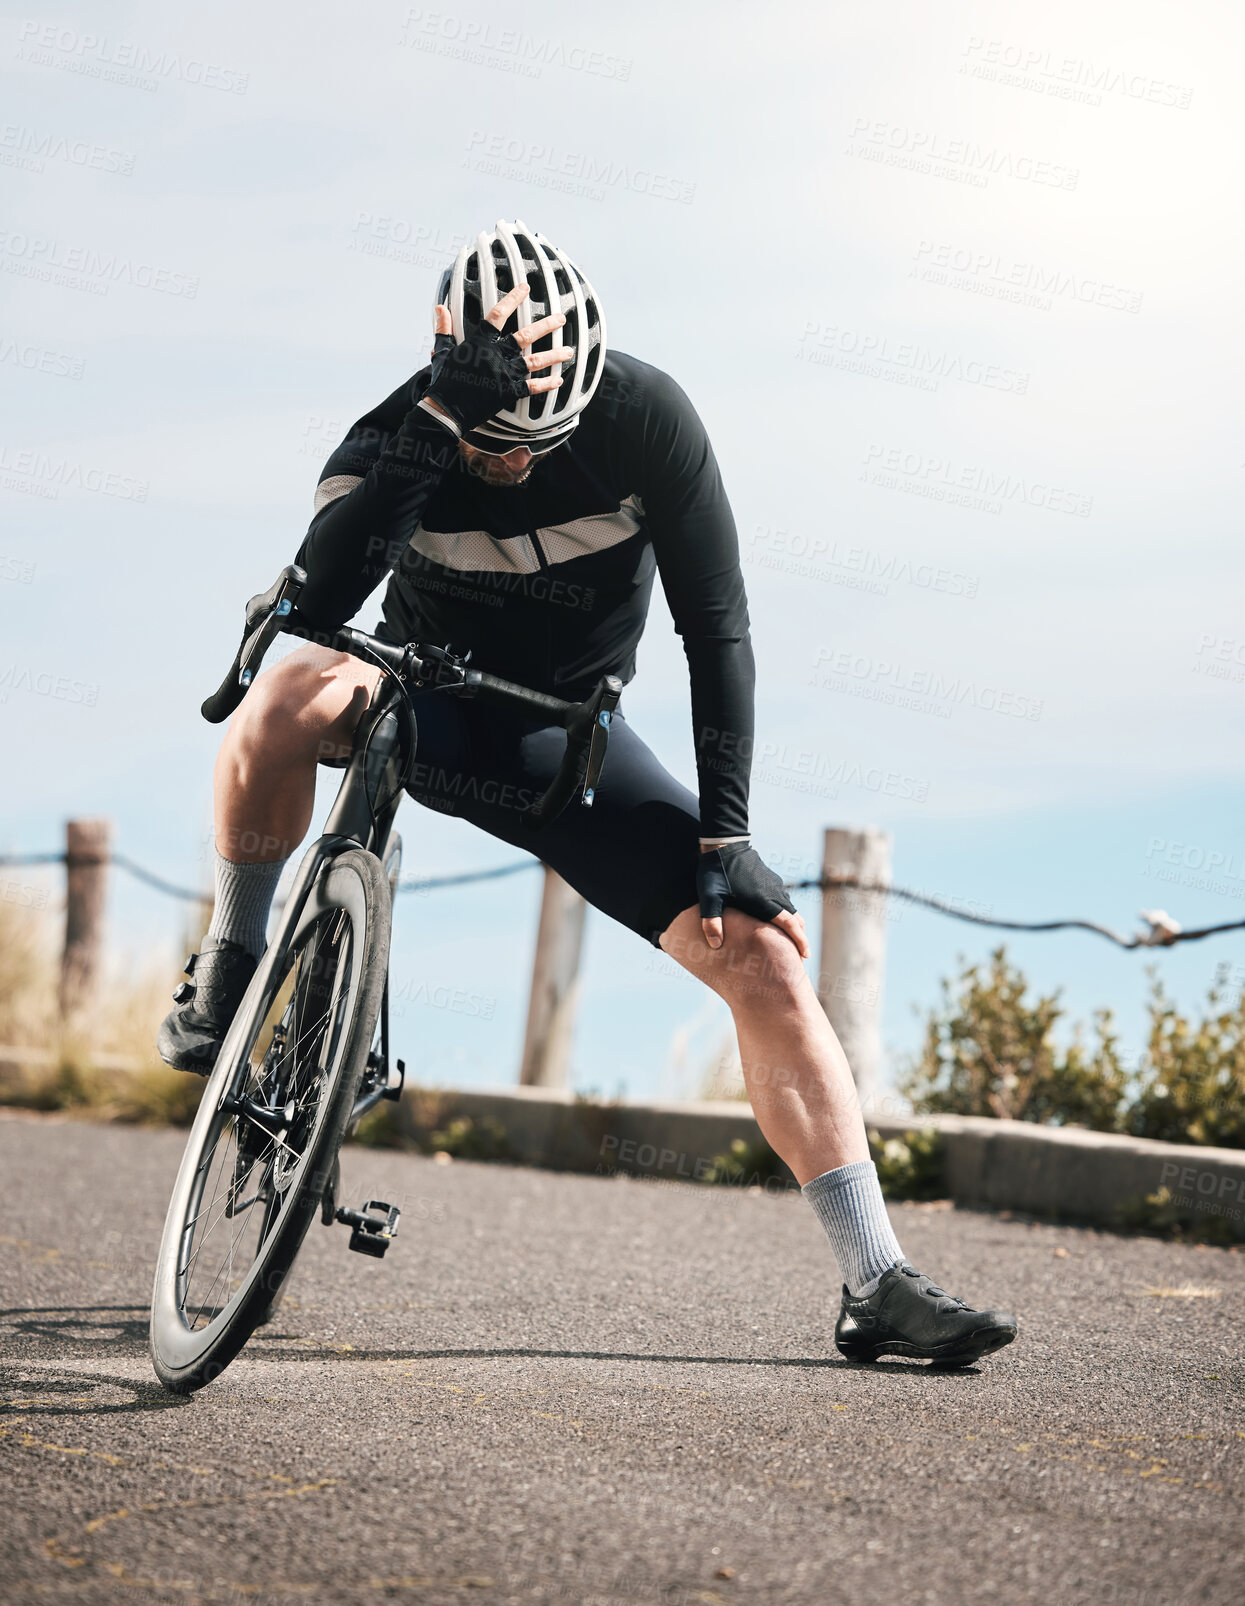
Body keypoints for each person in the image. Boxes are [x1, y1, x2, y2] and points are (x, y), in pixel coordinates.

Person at [159, 218, 1017, 1366]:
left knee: (763, 953)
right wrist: (435, 437)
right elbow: (320, 595)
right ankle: (233, 957)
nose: (516, 464)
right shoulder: (396, 434)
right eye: (500, 443)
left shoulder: (649, 421)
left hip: (559, 743)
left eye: (539, 444)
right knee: (284, 694)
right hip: (412, 698)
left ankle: (877, 1276)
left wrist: (728, 833)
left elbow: (718, 630)